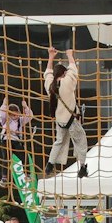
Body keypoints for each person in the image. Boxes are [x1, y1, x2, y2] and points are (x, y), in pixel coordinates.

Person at [42, 48, 87, 177]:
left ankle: (50, 164)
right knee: (80, 142)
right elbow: (73, 70)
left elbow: (48, 73)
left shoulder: (50, 86)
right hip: (72, 120)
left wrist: (51, 57)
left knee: (59, 141)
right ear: (63, 74)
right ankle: (82, 167)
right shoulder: (67, 83)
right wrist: (69, 55)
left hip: (60, 121)